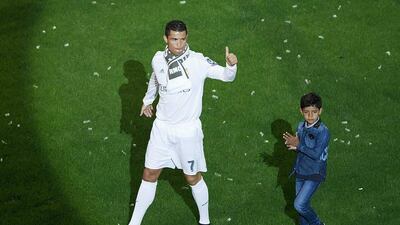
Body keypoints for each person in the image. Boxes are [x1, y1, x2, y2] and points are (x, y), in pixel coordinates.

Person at [128, 20, 238, 225]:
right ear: (166, 39)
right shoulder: (158, 59)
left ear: (187, 38)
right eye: (174, 39)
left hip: (187, 132)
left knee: (192, 177)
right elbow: (155, 78)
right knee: (149, 173)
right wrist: (147, 100)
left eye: (182, 39)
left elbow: (225, 77)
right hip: (161, 129)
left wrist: (231, 66)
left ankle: (205, 220)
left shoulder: (199, 61)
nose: (178, 44)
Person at [283, 92, 330, 225]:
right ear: (301, 111)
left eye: (314, 112)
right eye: (306, 112)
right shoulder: (300, 126)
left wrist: (299, 146)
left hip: (315, 172)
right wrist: (294, 144)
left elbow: (315, 154)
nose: (310, 116)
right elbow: (300, 145)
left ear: (320, 111)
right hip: (301, 171)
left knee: (299, 205)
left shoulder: (323, 132)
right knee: (301, 208)